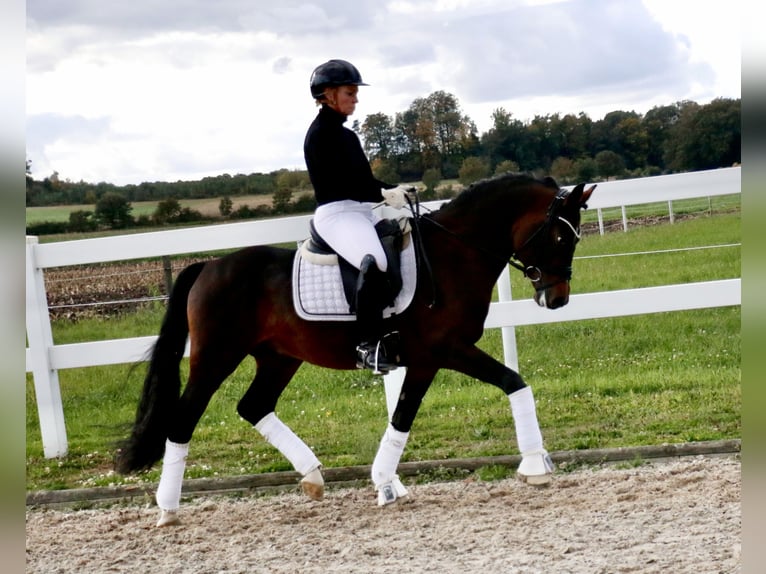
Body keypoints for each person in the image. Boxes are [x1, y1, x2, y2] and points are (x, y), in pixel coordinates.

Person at [304, 58, 411, 374]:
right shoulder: (322, 134)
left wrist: (394, 190)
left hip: (360, 212)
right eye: (350, 93)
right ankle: (367, 344)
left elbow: (364, 181)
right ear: (328, 94)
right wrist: (383, 193)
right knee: (374, 261)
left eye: (354, 92)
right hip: (337, 214)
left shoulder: (346, 135)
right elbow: (347, 184)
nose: (356, 99)